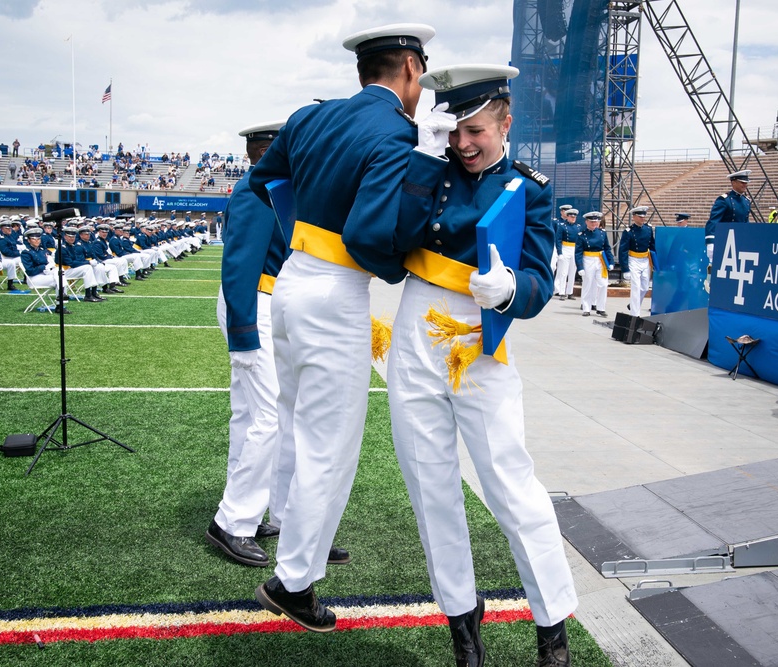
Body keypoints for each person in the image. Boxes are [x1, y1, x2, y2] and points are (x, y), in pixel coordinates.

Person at [248, 23, 436, 633]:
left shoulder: (309, 117)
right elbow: (367, 235)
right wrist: (397, 266)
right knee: (330, 444)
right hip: (336, 289)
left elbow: (264, 180)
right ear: (408, 68)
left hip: (292, 277)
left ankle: (290, 534)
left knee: (296, 422)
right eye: (422, 71)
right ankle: (293, 582)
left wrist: (307, 228)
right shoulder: (396, 133)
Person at [391, 63, 577, 667]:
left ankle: (552, 628)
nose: (463, 145)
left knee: (509, 484)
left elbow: (540, 281)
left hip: (480, 340)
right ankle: (463, 630)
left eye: (475, 131)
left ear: (505, 123)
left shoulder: (530, 187)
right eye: (454, 131)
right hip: (417, 328)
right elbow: (394, 238)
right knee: (430, 489)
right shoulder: (429, 169)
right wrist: (421, 160)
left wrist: (511, 290)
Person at [207, 120, 294, 567]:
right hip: (252, 300)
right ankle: (233, 522)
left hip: (269, 299)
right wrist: (244, 331)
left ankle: (270, 514)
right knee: (265, 416)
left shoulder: (276, 185)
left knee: (254, 415)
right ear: (265, 152)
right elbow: (239, 262)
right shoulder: (257, 189)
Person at [705, 169, 751, 262]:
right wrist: (711, 242)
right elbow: (714, 221)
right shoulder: (724, 200)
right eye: (742, 182)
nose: (745, 185)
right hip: (725, 241)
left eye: (746, 182)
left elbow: (745, 222)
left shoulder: (746, 201)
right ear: (733, 183)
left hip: (740, 241)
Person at [620, 205, 657, 316]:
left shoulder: (648, 229)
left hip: (645, 260)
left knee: (645, 287)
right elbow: (623, 250)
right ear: (634, 217)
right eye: (640, 216)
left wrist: (655, 262)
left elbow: (652, 246)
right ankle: (635, 314)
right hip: (633, 260)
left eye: (644, 216)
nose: (642, 218)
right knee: (636, 287)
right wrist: (625, 268)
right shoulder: (628, 232)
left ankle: (633, 304)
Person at [577, 211, 614, 317]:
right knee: (587, 284)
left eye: (596, 221)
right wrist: (580, 267)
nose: (594, 224)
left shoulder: (602, 233)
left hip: (600, 260)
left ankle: (601, 307)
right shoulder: (582, 235)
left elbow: (607, 248)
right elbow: (578, 252)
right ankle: (586, 308)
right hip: (588, 259)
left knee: (603, 284)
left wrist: (610, 261)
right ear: (586, 222)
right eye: (591, 222)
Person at [554, 207, 581, 300]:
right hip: (565, 248)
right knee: (563, 272)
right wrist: (560, 252)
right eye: (571, 217)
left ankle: (570, 292)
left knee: (572, 271)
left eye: (574, 217)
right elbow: (558, 240)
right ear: (568, 217)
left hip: (574, 249)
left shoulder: (578, 227)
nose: (573, 218)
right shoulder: (562, 226)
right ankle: (561, 292)